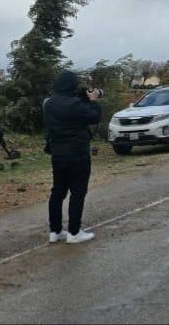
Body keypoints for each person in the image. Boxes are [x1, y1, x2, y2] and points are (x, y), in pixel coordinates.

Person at [43, 70, 101, 244]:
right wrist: (93, 101)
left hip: (57, 154)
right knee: (78, 192)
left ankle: (55, 231)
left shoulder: (49, 103)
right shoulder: (76, 104)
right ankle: (74, 232)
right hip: (77, 153)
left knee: (58, 192)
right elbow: (94, 117)